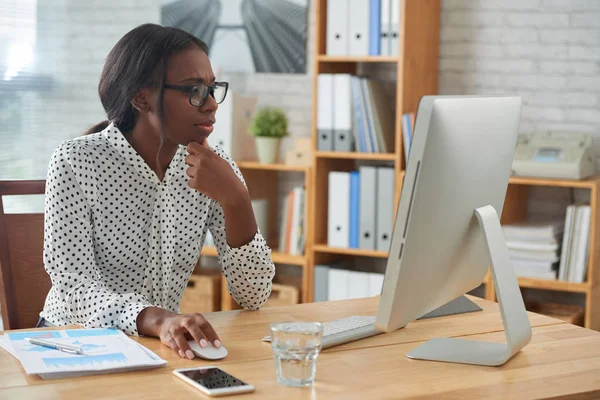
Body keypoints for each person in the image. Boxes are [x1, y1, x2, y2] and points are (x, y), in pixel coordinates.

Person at [39, 23, 276, 360]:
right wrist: (158, 319)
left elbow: (254, 295)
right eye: (195, 89)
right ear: (141, 97)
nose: (211, 104)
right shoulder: (76, 161)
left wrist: (236, 199)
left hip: (160, 350)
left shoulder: (215, 169)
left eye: (213, 88)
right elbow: (73, 288)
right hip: (74, 347)